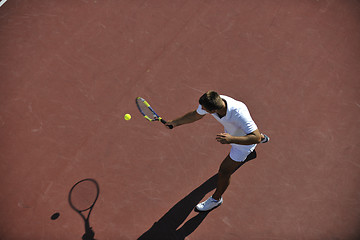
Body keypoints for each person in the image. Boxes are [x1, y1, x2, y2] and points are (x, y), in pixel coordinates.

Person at [165, 91, 269, 212]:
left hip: (243, 144)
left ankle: (216, 199)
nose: (201, 109)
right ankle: (263, 137)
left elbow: (254, 137)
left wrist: (232, 139)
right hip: (233, 132)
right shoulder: (212, 101)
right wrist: (175, 122)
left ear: (213, 110)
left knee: (224, 171)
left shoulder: (239, 113)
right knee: (252, 134)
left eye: (204, 108)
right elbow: (196, 114)